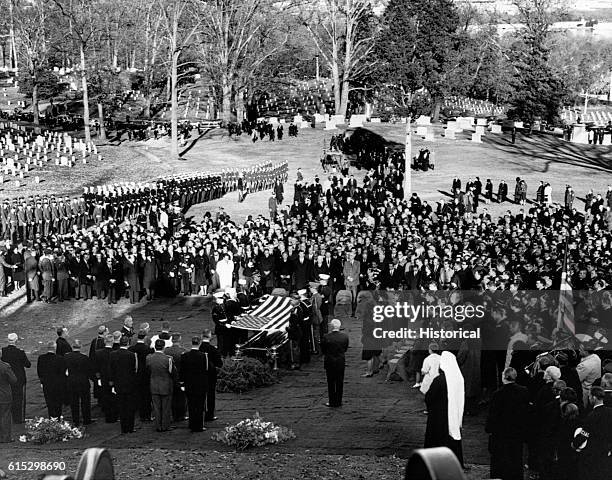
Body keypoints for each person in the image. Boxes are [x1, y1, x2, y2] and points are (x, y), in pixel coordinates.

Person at [485, 367, 529, 480]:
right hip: (516, 433)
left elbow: (493, 415)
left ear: (504, 377)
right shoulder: (523, 391)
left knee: (500, 463)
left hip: (501, 434)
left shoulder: (498, 394)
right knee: (515, 460)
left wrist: (489, 429)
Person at [424, 351, 465, 467]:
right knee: (452, 438)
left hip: (438, 415)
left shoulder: (440, 379)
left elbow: (429, 397)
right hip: (453, 415)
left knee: (436, 438)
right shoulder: (458, 378)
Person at [572, 386, 612, 480]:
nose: (589, 398)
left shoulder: (592, 416)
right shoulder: (610, 412)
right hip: (607, 451)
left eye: (589, 396)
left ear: (594, 397)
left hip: (592, 454)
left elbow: (584, 434)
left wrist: (574, 444)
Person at [109, 336, 138, 434]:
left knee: (122, 407)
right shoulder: (131, 355)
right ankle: (130, 427)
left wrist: (112, 382)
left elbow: (111, 370)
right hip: (129, 384)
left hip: (118, 384)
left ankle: (124, 428)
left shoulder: (113, 354)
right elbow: (134, 370)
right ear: (128, 343)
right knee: (130, 407)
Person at [146, 339, 176, 432]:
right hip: (166, 385)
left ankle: (158, 426)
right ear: (163, 347)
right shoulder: (168, 359)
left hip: (154, 385)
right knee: (166, 407)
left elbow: (147, 370)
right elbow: (173, 373)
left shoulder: (149, 358)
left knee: (156, 407)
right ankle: (165, 426)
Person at [1, 333, 31, 424]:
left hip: (6, 378)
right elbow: (28, 364)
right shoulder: (20, 352)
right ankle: (17, 419)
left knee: (7, 398)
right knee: (18, 399)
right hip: (19, 379)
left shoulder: (3, 351)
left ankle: (7, 418)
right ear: (16, 340)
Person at [180, 336, 208, 432]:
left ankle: (192, 424)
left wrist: (182, 383)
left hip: (189, 385)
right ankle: (199, 426)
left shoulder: (185, 355)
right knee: (200, 406)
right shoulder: (203, 356)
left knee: (191, 406)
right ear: (199, 343)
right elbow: (205, 370)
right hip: (200, 385)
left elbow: (182, 372)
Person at [64, 340, 94, 426]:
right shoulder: (84, 358)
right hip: (83, 382)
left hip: (71, 382)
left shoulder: (66, 357)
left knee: (74, 402)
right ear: (80, 347)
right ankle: (86, 419)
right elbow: (89, 370)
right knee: (85, 402)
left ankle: (76, 420)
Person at [321, 319, 349, 408]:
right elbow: (345, 349)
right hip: (340, 361)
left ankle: (332, 401)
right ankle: (339, 401)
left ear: (331, 326)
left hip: (330, 361)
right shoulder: (344, 337)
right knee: (340, 382)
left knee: (331, 382)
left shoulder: (326, 337)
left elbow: (323, 350)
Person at [129, 330, 153, 422]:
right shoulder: (148, 349)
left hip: (135, 375)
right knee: (147, 396)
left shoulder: (131, 349)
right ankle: (147, 414)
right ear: (145, 337)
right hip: (146, 376)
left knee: (138, 394)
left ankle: (140, 413)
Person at [37, 341, 65, 418]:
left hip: (47, 384)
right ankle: (58, 418)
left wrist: (42, 382)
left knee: (49, 403)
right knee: (58, 403)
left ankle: (51, 418)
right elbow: (62, 373)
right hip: (58, 385)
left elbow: (39, 371)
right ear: (55, 348)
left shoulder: (41, 358)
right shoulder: (60, 359)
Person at [199, 329, 222, 421]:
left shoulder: (199, 348)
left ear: (202, 336)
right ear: (210, 337)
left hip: (200, 375)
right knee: (211, 396)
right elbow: (219, 364)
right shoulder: (213, 349)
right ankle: (210, 414)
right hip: (211, 376)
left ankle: (201, 412)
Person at [164, 333, 186, 422]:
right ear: (179, 340)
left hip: (169, 378)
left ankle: (173, 414)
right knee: (181, 398)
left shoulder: (166, 351)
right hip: (180, 378)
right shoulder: (183, 351)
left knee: (171, 398)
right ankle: (180, 415)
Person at [0, 354, 17, 442]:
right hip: (4, 395)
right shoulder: (5, 366)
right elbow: (13, 380)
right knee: (5, 416)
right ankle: (5, 437)